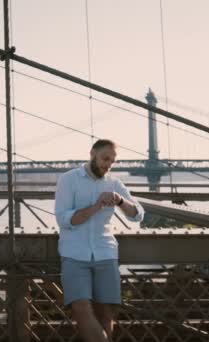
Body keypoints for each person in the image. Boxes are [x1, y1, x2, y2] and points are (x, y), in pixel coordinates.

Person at [54, 139, 144, 342]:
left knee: (106, 313)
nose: (108, 165)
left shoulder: (114, 184)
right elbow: (64, 220)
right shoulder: (68, 180)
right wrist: (96, 206)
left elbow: (138, 215)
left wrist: (120, 201)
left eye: (112, 161)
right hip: (74, 253)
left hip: (106, 252)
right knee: (80, 308)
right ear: (92, 153)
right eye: (105, 158)